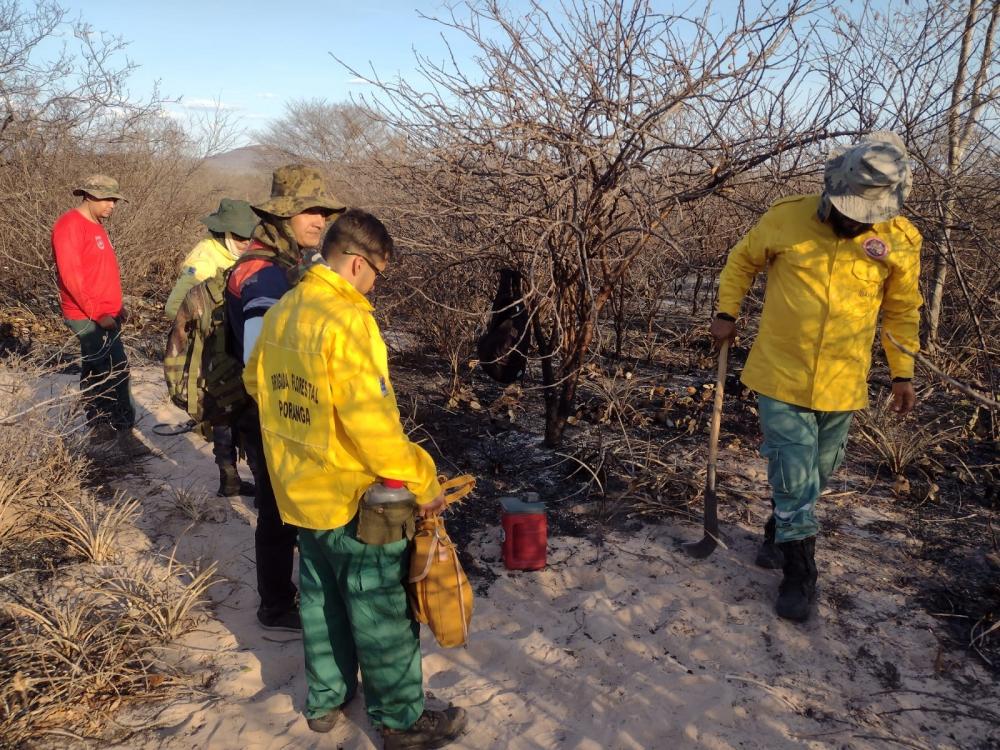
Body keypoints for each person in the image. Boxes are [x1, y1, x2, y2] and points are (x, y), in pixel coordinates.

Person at [244, 210, 468, 749]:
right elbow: (373, 425)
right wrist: (423, 480)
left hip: (298, 492)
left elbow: (256, 380)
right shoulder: (346, 319)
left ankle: (326, 701)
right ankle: (400, 722)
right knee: (381, 610)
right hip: (354, 499)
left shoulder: (287, 307)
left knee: (321, 600)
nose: (375, 286)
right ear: (356, 263)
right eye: (376, 274)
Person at [710, 132, 921, 622]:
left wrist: (902, 374)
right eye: (850, 207)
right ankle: (800, 575)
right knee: (792, 468)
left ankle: (779, 528)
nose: (856, 219)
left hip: (843, 382)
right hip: (780, 372)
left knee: (817, 474)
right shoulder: (786, 217)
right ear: (832, 188)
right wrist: (726, 310)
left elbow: (902, 310)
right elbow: (741, 261)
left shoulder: (901, 240)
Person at [226, 165, 345, 631]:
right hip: (269, 415)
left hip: (273, 412)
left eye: (323, 212)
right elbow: (261, 358)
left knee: (280, 508)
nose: (319, 220)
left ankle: (280, 598)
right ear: (283, 215)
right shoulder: (265, 275)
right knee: (278, 512)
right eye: (309, 211)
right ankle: (275, 606)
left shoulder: (289, 263)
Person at [164, 198, 258, 498]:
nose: (246, 242)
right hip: (216, 349)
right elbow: (174, 307)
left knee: (231, 414)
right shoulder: (204, 259)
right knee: (229, 414)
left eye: (249, 236)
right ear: (224, 232)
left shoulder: (237, 253)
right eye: (240, 236)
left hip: (234, 344)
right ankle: (235, 480)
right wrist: (210, 302)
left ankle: (231, 480)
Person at [52, 174, 149, 457]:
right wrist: (97, 312)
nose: (113, 206)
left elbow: (99, 274)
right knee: (108, 370)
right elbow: (71, 277)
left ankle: (110, 430)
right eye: (108, 199)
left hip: (107, 313)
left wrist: (117, 307)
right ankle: (112, 432)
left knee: (107, 368)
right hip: (86, 315)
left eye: (115, 200)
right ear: (90, 196)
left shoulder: (97, 225)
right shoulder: (69, 225)